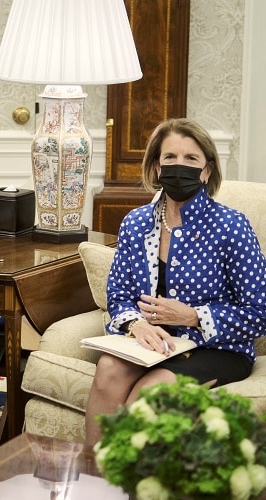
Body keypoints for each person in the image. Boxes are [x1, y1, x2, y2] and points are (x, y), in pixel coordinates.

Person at [85, 118, 266, 446]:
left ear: (207, 170)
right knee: (108, 370)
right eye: (170, 158)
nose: (179, 166)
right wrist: (136, 325)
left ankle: (126, 485)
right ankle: (94, 483)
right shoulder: (135, 223)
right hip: (152, 343)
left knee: (148, 393)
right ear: (156, 167)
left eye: (191, 159)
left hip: (217, 348)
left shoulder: (231, 226)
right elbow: (119, 294)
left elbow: (259, 312)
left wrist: (194, 317)